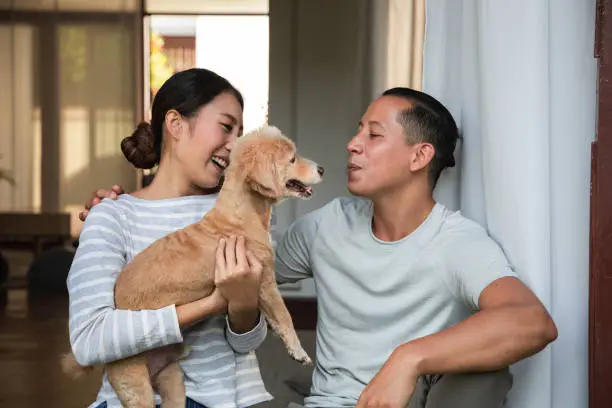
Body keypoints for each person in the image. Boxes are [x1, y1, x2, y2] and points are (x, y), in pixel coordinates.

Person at [84, 87, 558, 408]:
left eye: (373, 135)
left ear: (420, 156)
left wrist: (407, 359)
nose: (352, 144)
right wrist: (132, 210)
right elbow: (224, 250)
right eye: (358, 131)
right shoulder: (327, 226)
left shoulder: (456, 241)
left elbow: (531, 322)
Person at [67, 68, 272, 408]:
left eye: (240, 132)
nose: (235, 145)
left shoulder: (239, 216)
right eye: (225, 126)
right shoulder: (113, 216)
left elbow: (246, 343)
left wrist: (244, 302)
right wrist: (207, 306)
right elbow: (90, 339)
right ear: (175, 124)